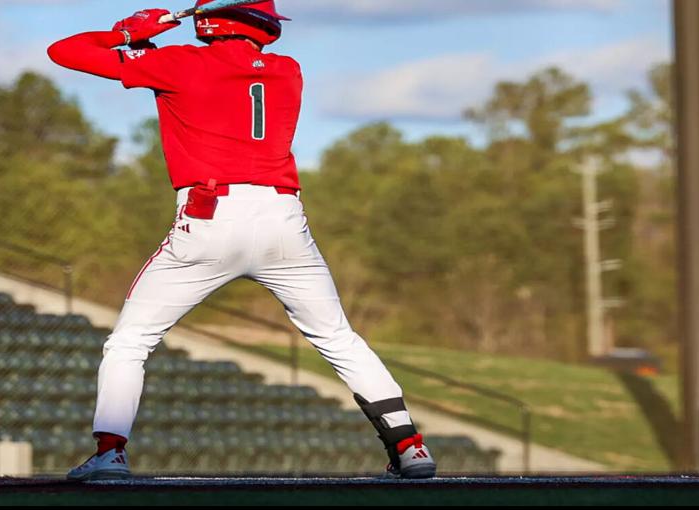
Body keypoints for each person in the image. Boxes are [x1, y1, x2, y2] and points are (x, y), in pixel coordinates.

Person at [47, 2, 436, 481]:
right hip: (283, 217)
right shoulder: (287, 71)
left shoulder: (180, 62)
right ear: (252, 22)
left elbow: (64, 51)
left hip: (209, 215)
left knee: (131, 341)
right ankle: (410, 447)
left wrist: (127, 33)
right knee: (337, 337)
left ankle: (111, 453)